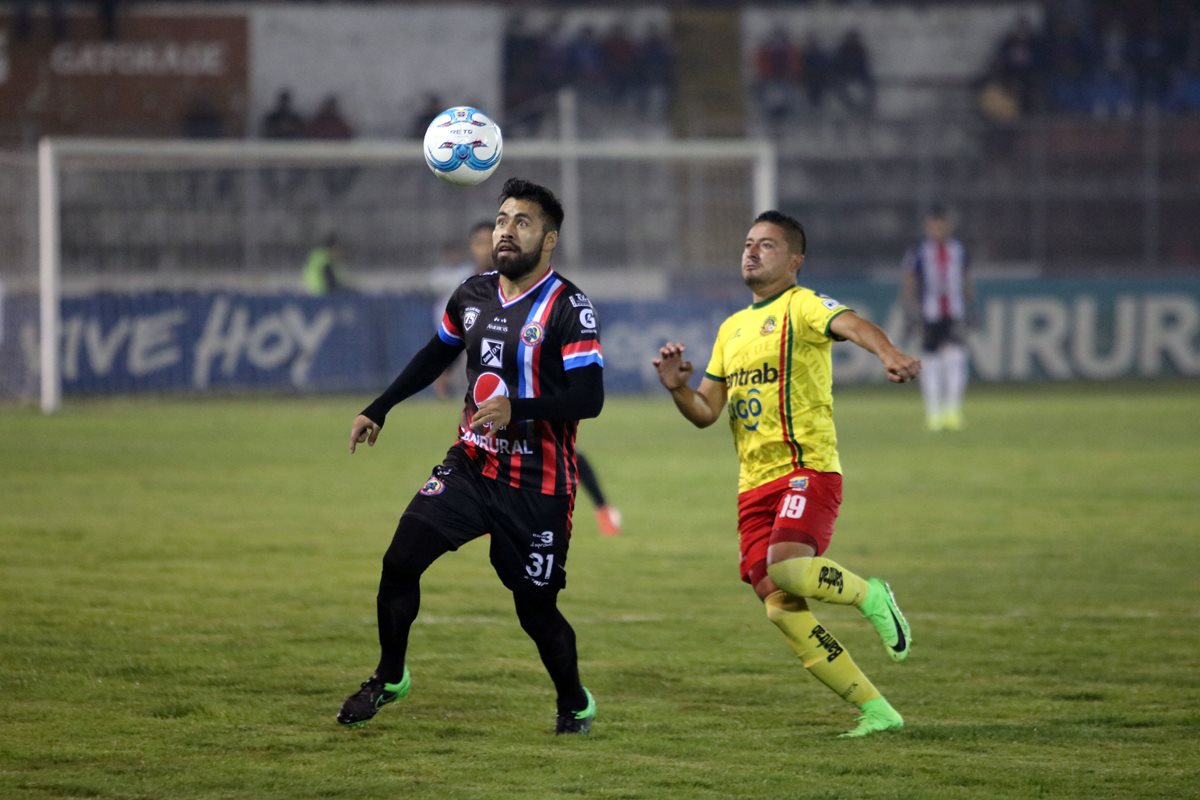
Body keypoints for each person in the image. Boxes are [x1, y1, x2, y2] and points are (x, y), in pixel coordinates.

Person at [337, 178, 603, 735]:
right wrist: (380, 406)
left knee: (535, 610)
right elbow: (437, 352)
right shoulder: (473, 294)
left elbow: (590, 397)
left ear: (549, 239)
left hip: (538, 487)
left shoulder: (568, 306)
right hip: (471, 465)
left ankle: (573, 702)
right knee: (400, 560)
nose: (506, 231)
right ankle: (389, 676)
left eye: (522, 222)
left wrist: (519, 409)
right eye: (502, 219)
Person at [653, 210, 919, 739]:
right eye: (749, 243)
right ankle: (877, 711)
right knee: (778, 603)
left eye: (767, 245)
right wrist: (677, 388)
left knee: (792, 569)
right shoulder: (731, 329)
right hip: (753, 484)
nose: (752, 251)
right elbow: (707, 412)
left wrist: (887, 351)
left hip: (807, 467)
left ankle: (872, 596)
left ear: (795, 260)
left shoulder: (802, 306)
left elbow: (855, 325)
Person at [432, 221, 623, 537]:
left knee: (561, 453)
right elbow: (457, 337)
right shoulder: (471, 289)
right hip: (492, 390)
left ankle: (602, 508)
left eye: (486, 241)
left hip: (534, 388)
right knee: (484, 443)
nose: (485, 248)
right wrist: (445, 372)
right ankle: (494, 508)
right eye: (479, 243)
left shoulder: (532, 284)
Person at [900, 206, 975, 431]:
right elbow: (910, 280)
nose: (938, 230)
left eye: (942, 225)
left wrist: (971, 307)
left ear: (949, 226)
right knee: (930, 362)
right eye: (934, 225)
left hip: (955, 312)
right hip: (928, 314)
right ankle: (933, 413)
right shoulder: (918, 250)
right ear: (927, 226)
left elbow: (966, 279)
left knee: (956, 360)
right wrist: (910, 310)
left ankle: (952, 412)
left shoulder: (959, 249)